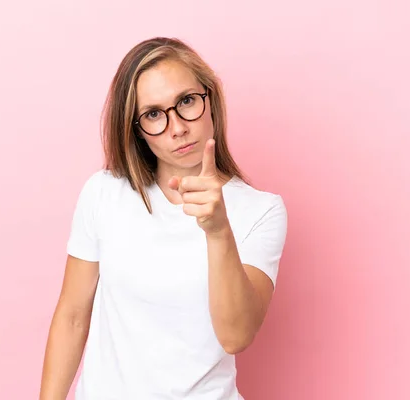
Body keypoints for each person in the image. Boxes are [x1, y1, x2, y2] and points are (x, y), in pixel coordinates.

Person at [39, 37, 288, 400]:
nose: (177, 127)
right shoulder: (104, 193)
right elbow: (73, 315)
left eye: (186, 101)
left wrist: (218, 232)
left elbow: (236, 336)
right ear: (136, 128)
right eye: (154, 114)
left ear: (210, 99)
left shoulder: (261, 210)